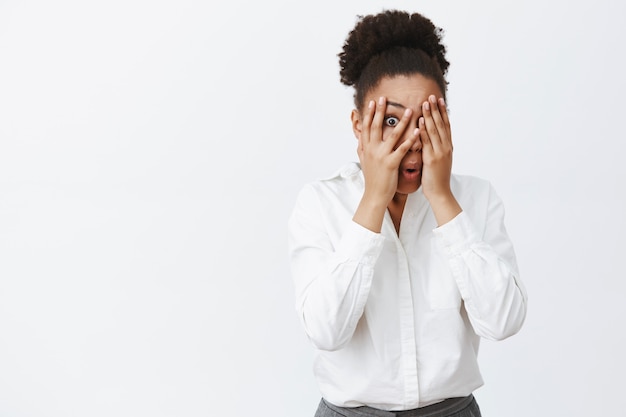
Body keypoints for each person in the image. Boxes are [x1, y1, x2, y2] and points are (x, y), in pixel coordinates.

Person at [287, 9, 527, 417]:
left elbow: (503, 321)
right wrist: (373, 200)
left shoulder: (476, 199)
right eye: (392, 120)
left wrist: (443, 200)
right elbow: (326, 331)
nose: (411, 141)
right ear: (359, 126)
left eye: (427, 121)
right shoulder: (320, 203)